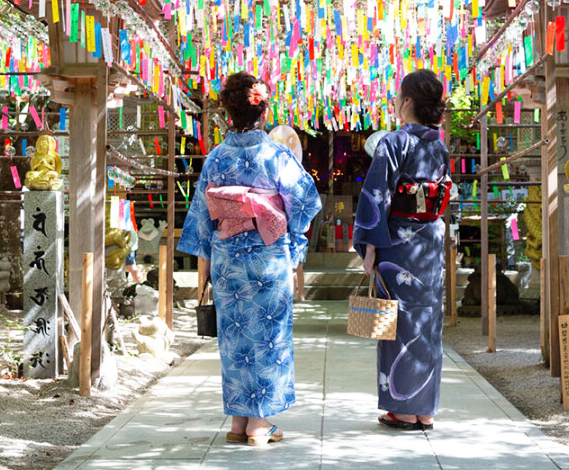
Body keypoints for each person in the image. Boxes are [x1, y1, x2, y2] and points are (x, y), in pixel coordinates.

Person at [177, 72, 322, 446]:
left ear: (227, 112)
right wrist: (292, 240)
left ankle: (239, 421)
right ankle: (259, 423)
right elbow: (306, 203)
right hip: (267, 258)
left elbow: (202, 217)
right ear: (264, 111)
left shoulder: (216, 158)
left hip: (227, 260)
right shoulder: (276, 155)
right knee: (268, 336)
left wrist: (207, 264)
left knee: (235, 338)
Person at [353, 69, 451, 432]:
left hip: (398, 244)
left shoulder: (394, 142)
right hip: (430, 243)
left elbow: (376, 195)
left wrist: (369, 246)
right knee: (427, 322)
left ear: (407, 101)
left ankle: (404, 410)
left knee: (398, 321)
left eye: (398, 97)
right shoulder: (438, 145)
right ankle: (425, 410)